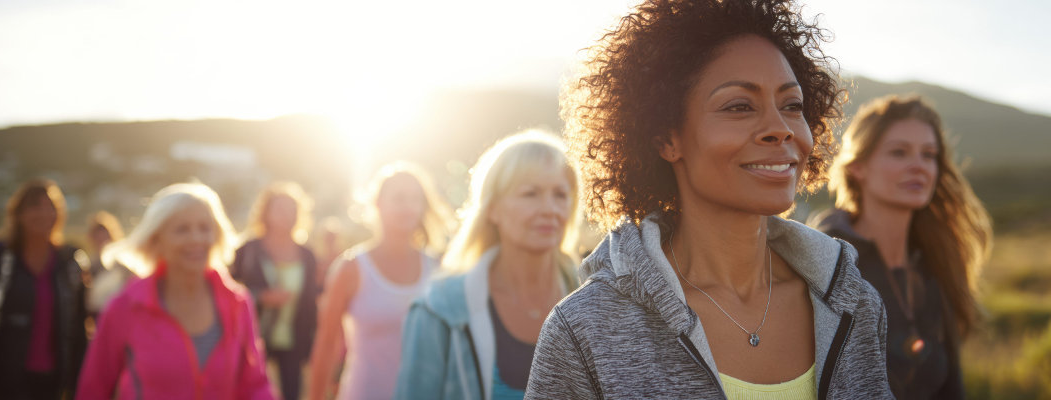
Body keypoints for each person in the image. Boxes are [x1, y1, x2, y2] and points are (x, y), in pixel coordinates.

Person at [525, 0, 893, 398]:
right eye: (739, 106)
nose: (780, 129)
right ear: (668, 138)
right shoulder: (585, 329)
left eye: (792, 105)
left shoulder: (855, 306)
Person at [811, 95, 992, 399]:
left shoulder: (936, 266)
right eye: (899, 152)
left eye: (929, 155)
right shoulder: (826, 263)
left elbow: (951, 386)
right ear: (858, 167)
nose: (918, 166)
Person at [395, 131, 582, 400]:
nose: (549, 209)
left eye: (561, 195)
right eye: (530, 194)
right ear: (492, 209)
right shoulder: (439, 309)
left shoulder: (599, 301)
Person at [76, 183, 274, 399]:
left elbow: (254, 385)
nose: (197, 238)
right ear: (156, 239)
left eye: (204, 228)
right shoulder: (125, 306)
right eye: (182, 229)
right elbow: (93, 389)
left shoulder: (237, 302)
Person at [308, 162, 452, 400]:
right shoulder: (351, 268)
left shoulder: (437, 268)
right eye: (399, 198)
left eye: (415, 199)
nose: (408, 207)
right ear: (378, 203)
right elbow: (325, 346)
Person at [0, 179, 88, 400]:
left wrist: (77, 383)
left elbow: (78, 330)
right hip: (3, 379)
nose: (44, 213)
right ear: (19, 214)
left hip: (53, 382)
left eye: (50, 206)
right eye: (35, 206)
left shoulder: (69, 265)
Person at [232, 182, 319, 400]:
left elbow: (311, 303)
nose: (286, 215)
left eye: (292, 210)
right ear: (266, 213)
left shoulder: (307, 255)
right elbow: (229, 290)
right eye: (280, 209)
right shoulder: (247, 250)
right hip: (252, 337)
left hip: (294, 339)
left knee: (292, 393)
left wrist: (312, 343)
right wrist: (259, 297)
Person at [84, 211, 134, 318]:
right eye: (98, 235)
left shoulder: (124, 263)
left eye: (105, 234)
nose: (102, 239)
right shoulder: (88, 264)